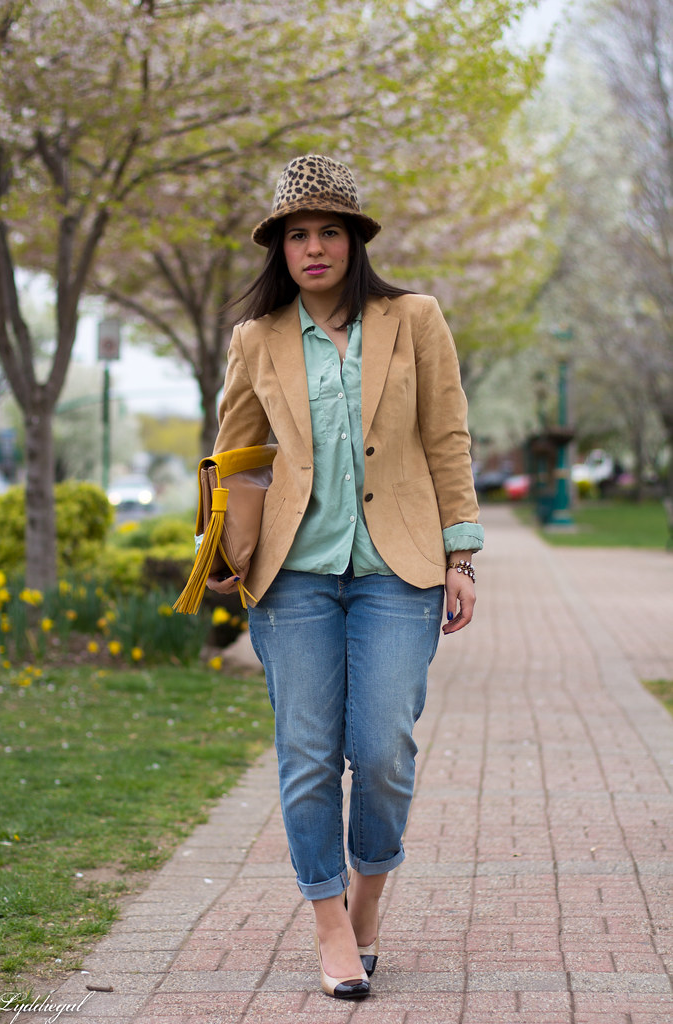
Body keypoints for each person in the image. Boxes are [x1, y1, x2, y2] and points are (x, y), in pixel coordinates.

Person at [208, 154, 483, 999]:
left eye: (329, 231)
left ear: (354, 240)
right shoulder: (256, 338)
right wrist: (221, 543)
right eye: (299, 235)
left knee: (383, 749)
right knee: (306, 756)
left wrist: (460, 552)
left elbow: (446, 436)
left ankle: (368, 897)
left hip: (397, 569)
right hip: (291, 576)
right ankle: (331, 927)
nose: (314, 247)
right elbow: (235, 452)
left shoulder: (413, 318)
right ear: (280, 250)